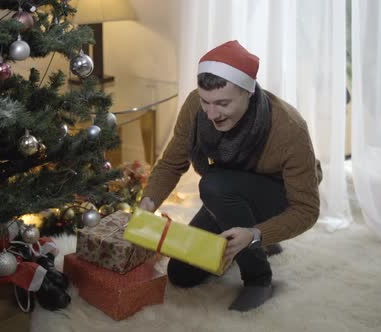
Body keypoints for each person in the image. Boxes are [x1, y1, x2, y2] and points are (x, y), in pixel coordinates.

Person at [138, 40, 322, 312]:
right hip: (229, 189)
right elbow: (171, 163)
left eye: (222, 103)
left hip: (276, 192)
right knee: (182, 273)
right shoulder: (195, 107)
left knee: (214, 184)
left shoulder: (289, 128)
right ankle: (254, 235)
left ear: (248, 92)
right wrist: (148, 202)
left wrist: (255, 234)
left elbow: (306, 210)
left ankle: (259, 278)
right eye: (205, 101)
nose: (211, 114)